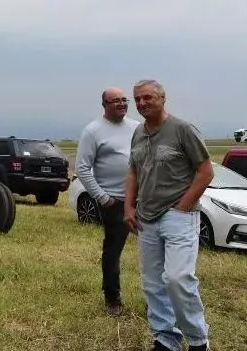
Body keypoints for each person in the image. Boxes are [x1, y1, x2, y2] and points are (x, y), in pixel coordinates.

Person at [123, 79, 214, 351]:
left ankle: (198, 341)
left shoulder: (183, 130)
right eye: (137, 99)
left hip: (178, 215)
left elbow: (206, 171)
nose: (141, 103)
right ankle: (166, 338)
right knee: (152, 284)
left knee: (177, 279)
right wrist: (128, 207)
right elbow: (133, 172)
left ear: (163, 98)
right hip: (146, 218)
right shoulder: (138, 133)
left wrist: (182, 207)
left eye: (147, 98)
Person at [76, 87, 140, 316]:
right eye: (115, 101)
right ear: (104, 104)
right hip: (115, 202)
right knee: (113, 250)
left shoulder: (136, 127)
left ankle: (157, 298)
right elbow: (82, 168)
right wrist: (103, 198)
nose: (122, 104)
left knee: (154, 248)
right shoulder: (93, 131)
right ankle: (112, 298)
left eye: (124, 100)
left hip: (142, 199)